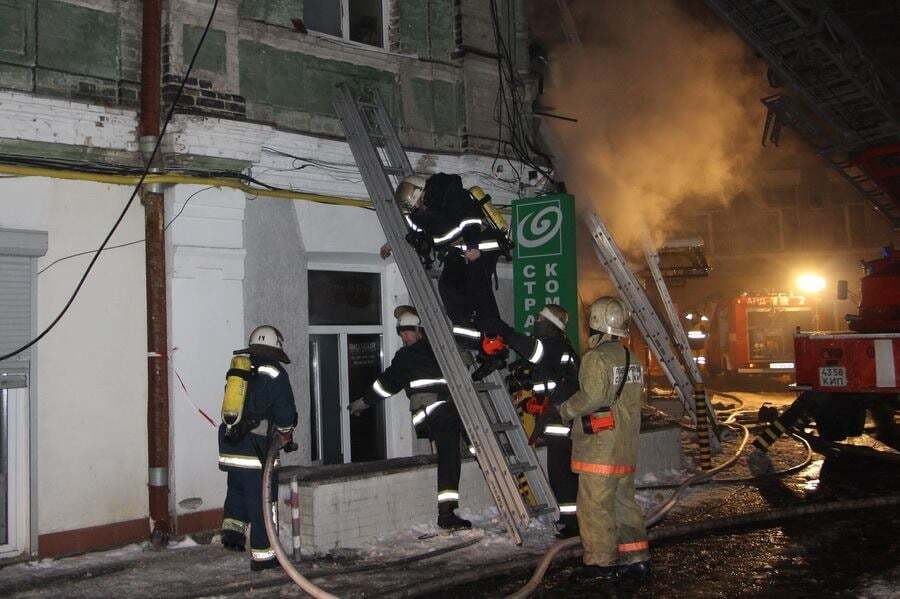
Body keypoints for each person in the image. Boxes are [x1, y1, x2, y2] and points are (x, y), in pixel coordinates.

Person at [348, 306, 472, 531]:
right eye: (401, 333)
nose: (404, 337)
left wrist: (363, 402)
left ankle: (447, 512)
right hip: (442, 411)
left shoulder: (413, 354)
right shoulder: (434, 349)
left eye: (407, 332)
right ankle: (446, 513)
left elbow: (387, 384)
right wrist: (364, 402)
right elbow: (387, 383)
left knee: (450, 458)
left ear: (419, 330)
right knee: (450, 459)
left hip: (440, 412)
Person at [557, 297, 650, 581]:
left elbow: (593, 397)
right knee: (624, 504)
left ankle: (601, 563)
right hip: (625, 447)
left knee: (595, 506)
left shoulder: (595, 358)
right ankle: (636, 558)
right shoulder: (632, 358)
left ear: (596, 323)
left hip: (600, 449)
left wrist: (565, 409)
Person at [384, 173, 514, 372]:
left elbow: (469, 219)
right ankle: (482, 347)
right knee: (449, 289)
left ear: (421, 192)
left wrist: (473, 246)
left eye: (419, 202)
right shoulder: (420, 214)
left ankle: (495, 346)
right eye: (416, 206)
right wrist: (394, 243)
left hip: (480, 247)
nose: (419, 207)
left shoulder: (447, 192)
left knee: (479, 295)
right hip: (459, 253)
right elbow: (419, 235)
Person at [218, 325, 297, 571]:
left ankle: (232, 535)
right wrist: (286, 433)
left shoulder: (241, 366)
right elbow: (285, 414)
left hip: (231, 444)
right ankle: (264, 556)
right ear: (276, 347)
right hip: (256, 449)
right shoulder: (275, 372)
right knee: (263, 500)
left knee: (237, 489)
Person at [508, 305, 581, 537]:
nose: (536, 321)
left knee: (561, 472)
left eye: (540, 318)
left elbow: (530, 350)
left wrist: (503, 333)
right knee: (564, 471)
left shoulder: (550, 345)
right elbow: (548, 380)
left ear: (549, 323)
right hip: (561, 416)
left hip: (561, 420)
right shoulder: (560, 346)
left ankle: (572, 523)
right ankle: (571, 519)